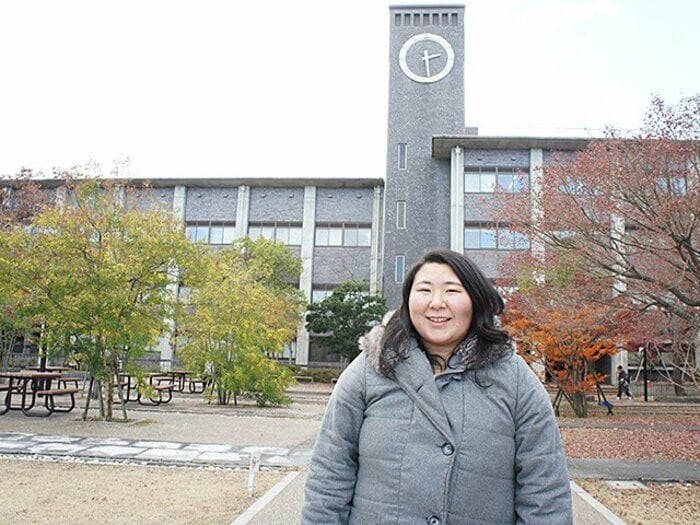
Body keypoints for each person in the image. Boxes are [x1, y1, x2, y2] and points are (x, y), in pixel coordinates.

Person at [302, 249, 572, 524]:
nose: (436, 303)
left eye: (452, 291)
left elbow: (545, 492)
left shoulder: (515, 378)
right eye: (424, 290)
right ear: (408, 301)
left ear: (475, 300)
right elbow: (329, 476)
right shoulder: (369, 369)